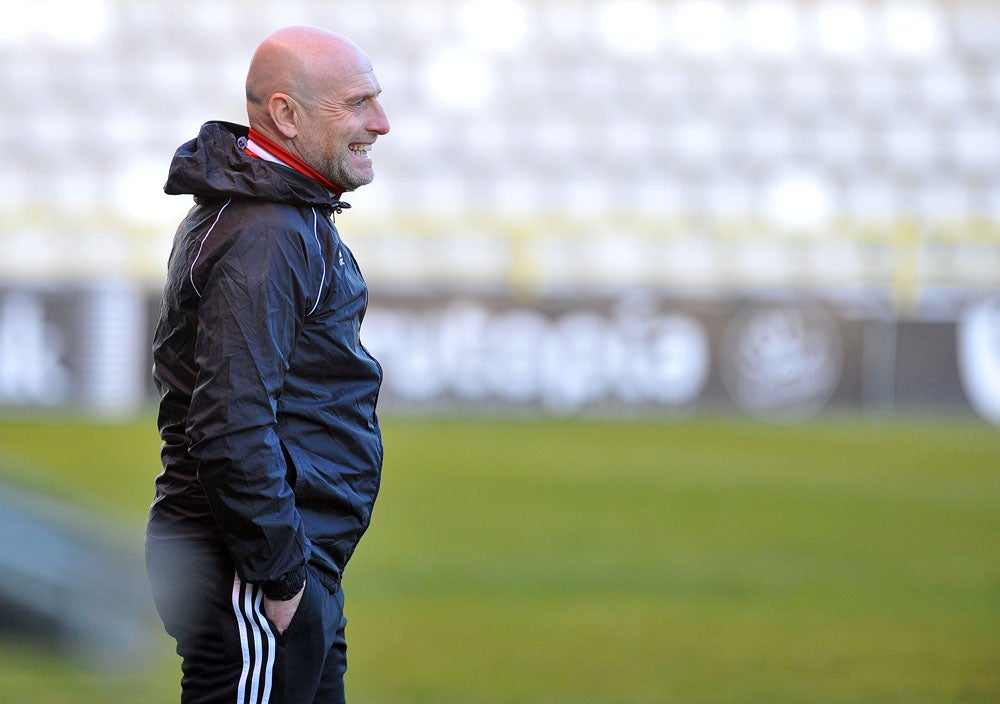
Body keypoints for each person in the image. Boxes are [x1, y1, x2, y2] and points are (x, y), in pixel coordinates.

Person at [145, 26, 390, 704]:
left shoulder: (285, 216)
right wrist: (281, 577)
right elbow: (230, 422)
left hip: (279, 561)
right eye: (358, 103)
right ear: (285, 115)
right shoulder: (267, 233)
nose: (382, 122)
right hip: (253, 569)